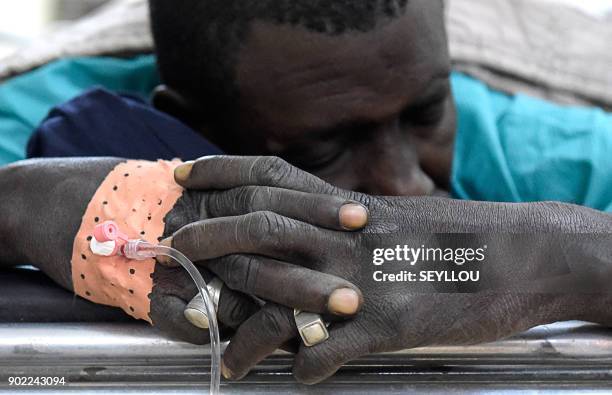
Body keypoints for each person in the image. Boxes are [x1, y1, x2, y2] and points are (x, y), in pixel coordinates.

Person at [4, 0, 612, 385]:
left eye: (425, 113)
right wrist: (14, 206)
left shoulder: (546, 149)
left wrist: (551, 257)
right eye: (326, 148)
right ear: (191, 125)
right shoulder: (37, 126)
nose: (403, 182)